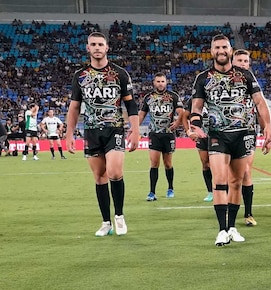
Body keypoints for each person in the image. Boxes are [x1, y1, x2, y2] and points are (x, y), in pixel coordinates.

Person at [190, 34, 271, 246]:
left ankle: (233, 227)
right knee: (220, 180)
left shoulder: (245, 75)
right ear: (212, 51)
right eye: (217, 47)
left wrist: (268, 127)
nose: (221, 50)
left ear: (230, 50)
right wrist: (195, 125)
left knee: (236, 182)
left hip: (243, 133)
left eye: (224, 47)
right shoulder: (203, 78)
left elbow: (260, 103)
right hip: (218, 134)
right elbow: (197, 107)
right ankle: (221, 230)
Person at [65, 31, 140, 237]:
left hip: (114, 129)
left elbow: (131, 104)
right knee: (99, 177)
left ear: (107, 48)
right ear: (88, 48)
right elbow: (74, 108)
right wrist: (69, 134)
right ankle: (106, 222)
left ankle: (119, 216)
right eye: (93, 44)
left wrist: (135, 130)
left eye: (100, 44)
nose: (97, 47)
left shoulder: (120, 74)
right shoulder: (80, 76)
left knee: (115, 172)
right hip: (90, 131)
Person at [232, 49, 271, 227]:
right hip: (224, 132)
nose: (242, 63)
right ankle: (227, 208)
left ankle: (248, 213)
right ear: (232, 62)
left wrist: (267, 129)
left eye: (245, 61)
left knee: (246, 170)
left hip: (247, 131)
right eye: (239, 60)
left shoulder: (251, 81)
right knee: (229, 175)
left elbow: (260, 105)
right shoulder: (220, 80)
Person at [139, 72, 184, 201]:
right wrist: (135, 129)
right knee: (154, 163)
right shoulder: (149, 97)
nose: (160, 84)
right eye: (158, 81)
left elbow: (182, 112)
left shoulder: (173, 97)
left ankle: (170, 188)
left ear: (166, 82)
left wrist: (177, 122)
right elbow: (141, 115)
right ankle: (152, 192)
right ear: (154, 82)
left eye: (162, 81)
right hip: (154, 134)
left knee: (168, 163)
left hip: (168, 134)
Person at [180, 96, 213, 202]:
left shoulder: (218, 94)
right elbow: (184, 116)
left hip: (218, 135)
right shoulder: (195, 99)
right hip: (202, 137)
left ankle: (223, 189)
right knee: (205, 164)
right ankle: (210, 192)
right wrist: (189, 132)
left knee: (218, 164)